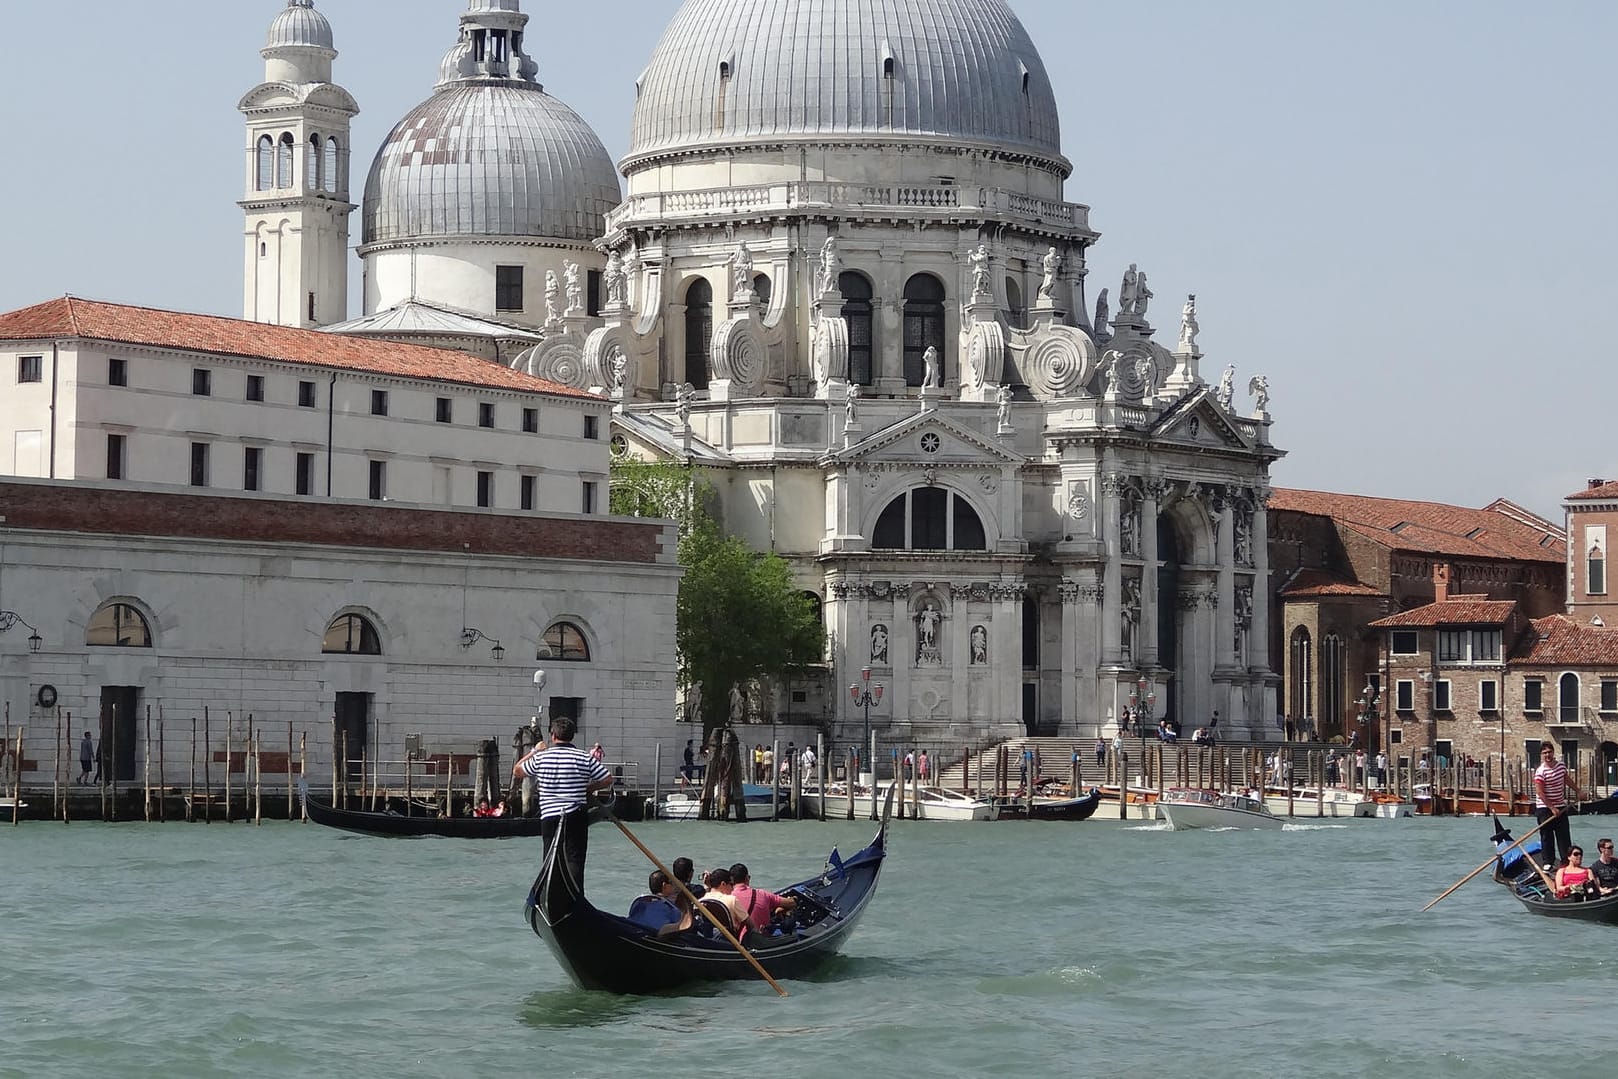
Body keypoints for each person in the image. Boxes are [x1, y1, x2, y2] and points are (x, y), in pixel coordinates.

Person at [512, 714, 614, 888]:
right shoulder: (584, 757)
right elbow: (607, 779)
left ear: (552, 735)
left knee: (550, 857)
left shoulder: (541, 758)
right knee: (575, 858)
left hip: (550, 815)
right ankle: (575, 895)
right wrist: (588, 789)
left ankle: (550, 889)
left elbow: (517, 771)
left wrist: (534, 751)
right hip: (576, 814)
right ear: (572, 735)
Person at [1534, 743, 1579, 871]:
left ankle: (1566, 861)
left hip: (1561, 805)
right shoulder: (1540, 771)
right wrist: (1552, 808)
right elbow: (1540, 792)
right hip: (1544, 807)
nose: (1547, 755)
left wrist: (1578, 791)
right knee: (1546, 835)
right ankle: (1548, 862)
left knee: (1564, 835)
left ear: (1553, 752)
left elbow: (1566, 779)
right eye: (1544, 753)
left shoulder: (1561, 766)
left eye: (1549, 752)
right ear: (1541, 755)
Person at [730, 862, 796, 935]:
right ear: (747, 878)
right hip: (760, 940)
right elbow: (791, 903)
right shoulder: (762, 894)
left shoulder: (727, 898)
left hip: (735, 940)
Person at [698, 867, 752, 934]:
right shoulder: (731, 900)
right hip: (728, 941)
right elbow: (749, 924)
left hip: (703, 941)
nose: (733, 889)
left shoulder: (700, 902)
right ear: (723, 884)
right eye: (731, 884)